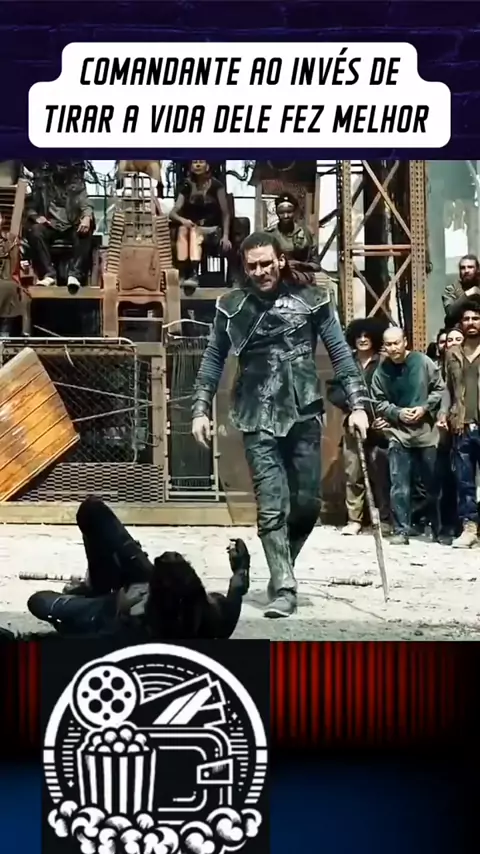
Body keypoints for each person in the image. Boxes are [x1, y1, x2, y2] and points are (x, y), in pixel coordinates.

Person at [191, 231, 369, 619]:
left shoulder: (313, 299)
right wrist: (200, 409)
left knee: (307, 503)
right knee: (272, 503)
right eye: (252, 266)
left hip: (303, 411)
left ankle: (280, 565)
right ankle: (285, 585)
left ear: (280, 261)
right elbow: (213, 359)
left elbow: (340, 353)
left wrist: (358, 405)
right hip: (255, 413)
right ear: (245, 268)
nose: (260, 272)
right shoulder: (231, 307)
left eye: (266, 263)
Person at [27, 497, 250, 640]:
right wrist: (239, 573)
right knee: (91, 509)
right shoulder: (203, 609)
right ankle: (96, 584)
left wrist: (121, 611)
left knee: (40, 602)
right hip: (138, 587)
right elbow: (227, 619)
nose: (171, 554)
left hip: (107, 610)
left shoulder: (135, 629)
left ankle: (93, 592)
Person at [370, 326, 445, 545]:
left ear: (405, 342)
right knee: (399, 485)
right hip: (398, 433)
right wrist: (397, 413)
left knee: (432, 484)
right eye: (388, 344)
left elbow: (439, 389)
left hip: (426, 433)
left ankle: (437, 529)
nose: (393, 348)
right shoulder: (381, 371)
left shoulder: (423, 362)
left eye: (396, 343)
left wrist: (424, 408)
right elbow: (378, 401)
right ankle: (401, 530)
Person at [327, 317, 391, 536]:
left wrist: (387, 416)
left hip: (380, 425)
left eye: (367, 336)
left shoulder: (384, 362)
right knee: (353, 472)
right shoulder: (347, 363)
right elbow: (334, 390)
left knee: (382, 472)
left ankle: (384, 519)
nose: (363, 340)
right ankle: (354, 519)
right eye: (359, 336)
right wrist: (351, 407)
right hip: (354, 425)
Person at [439, 300, 480, 548]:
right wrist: (443, 413)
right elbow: (447, 387)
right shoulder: (453, 353)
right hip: (462, 424)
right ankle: (469, 528)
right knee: (464, 481)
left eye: (476, 318)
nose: (471, 323)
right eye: (467, 319)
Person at [24, 162, 94, 290]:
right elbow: (30, 206)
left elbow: (86, 204)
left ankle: (75, 275)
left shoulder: (77, 185)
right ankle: (49, 275)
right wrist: (36, 217)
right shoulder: (42, 185)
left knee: (85, 232)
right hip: (51, 225)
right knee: (35, 231)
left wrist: (87, 217)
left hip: (71, 225)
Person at [169, 160, 234, 291]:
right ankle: (182, 273)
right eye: (194, 162)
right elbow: (172, 213)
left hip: (212, 229)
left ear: (208, 166)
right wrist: (183, 220)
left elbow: (226, 213)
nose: (197, 165)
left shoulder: (217, 186)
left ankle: (193, 274)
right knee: (183, 230)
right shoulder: (187, 185)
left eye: (201, 162)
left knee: (194, 232)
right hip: (192, 228)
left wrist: (226, 236)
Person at [265, 192, 321, 285]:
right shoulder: (269, 235)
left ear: (295, 212)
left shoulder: (306, 234)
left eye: (289, 212)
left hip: (302, 278)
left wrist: (300, 264)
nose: (286, 216)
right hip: (276, 280)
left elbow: (316, 266)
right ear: (277, 213)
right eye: (282, 212)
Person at [442, 254, 480, 320]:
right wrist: (468, 294)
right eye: (463, 268)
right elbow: (450, 312)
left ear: (477, 269)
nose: (466, 271)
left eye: (470, 267)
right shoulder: (451, 289)